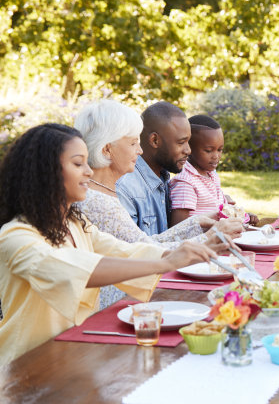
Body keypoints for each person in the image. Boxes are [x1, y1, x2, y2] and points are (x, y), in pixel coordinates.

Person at [0, 124, 229, 365]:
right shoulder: (16, 236)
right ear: (45, 172)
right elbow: (75, 270)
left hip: (74, 354)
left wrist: (193, 249)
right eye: (78, 164)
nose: (89, 171)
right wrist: (169, 261)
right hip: (25, 367)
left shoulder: (75, 224)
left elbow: (128, 251)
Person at [74, 101, 243, 308]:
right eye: (133, 143)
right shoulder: (101, 201)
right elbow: (143, 251)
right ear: (107, 149)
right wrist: (206, 239)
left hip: (135, 294)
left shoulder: (101, 190)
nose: (140, 150)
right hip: (119, 304)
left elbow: (143, 244)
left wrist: (198, 223)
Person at [116, 101, 192, 235]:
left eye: (188, 142)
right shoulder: (126, 189)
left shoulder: (165, 178)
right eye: (181, 142)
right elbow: (133, 251)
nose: (188, 150)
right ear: (155, 140)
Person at [169, 114, 259, 226]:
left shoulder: (211, 175)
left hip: (219, 235)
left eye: (220, 149)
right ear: (189, 148)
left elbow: (220, 211)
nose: (216, 156)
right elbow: (178, 229)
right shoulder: (186, 183)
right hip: (202, 242)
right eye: (208, 150)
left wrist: (241, 216)